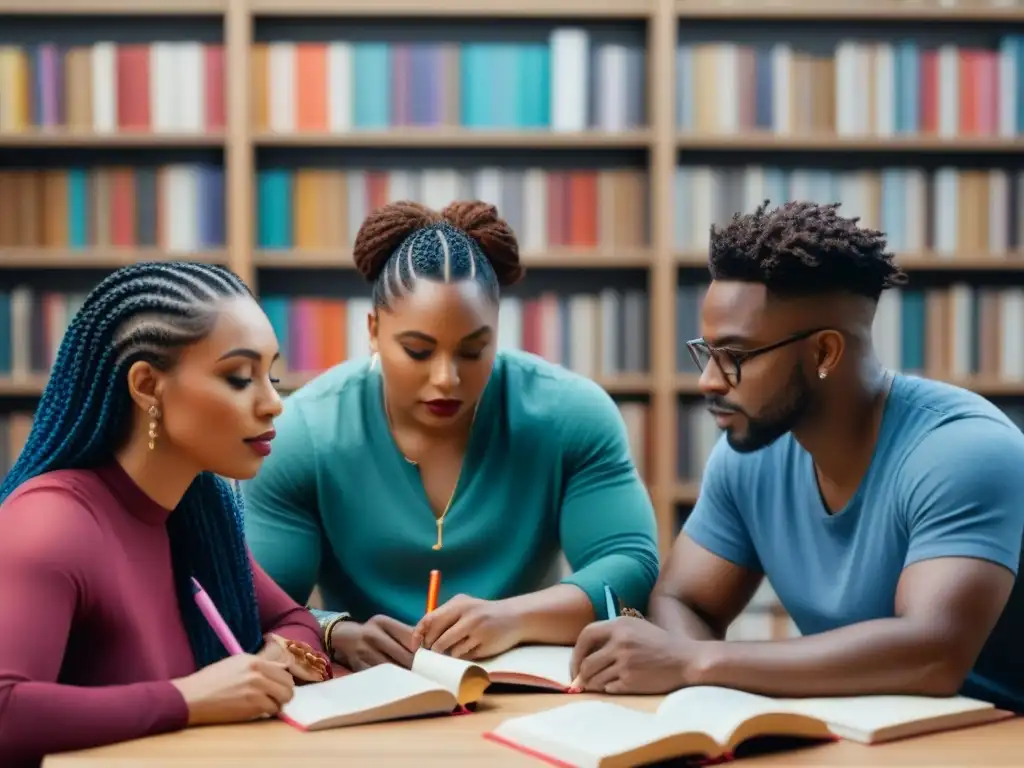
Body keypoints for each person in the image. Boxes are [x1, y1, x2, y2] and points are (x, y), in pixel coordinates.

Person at [568, 201, 1024, 712]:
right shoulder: (749, 456)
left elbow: (933, 655)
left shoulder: (965, 452)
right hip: (852, 735)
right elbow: (683, 600)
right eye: (707, 351)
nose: (709, 380)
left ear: (825, 353)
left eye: (735, 357)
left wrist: (694, 664)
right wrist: (698, 690)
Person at [242, 200, 660, 671]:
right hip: (365, 696)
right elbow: (252, 598)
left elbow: (631, 564)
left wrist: (514, 618)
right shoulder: (303, 433)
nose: (446, 378)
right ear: (374, 331)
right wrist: (335, 632)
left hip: (523, 693)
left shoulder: (571, 415)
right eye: (418, 351)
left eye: (473, 350)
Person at [0, 262, 331, 768]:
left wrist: (275, 659)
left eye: (273, 375)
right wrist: (190, 699)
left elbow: (291, 618)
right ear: (147, 386)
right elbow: (6, 710)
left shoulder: (198, 509)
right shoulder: (51, 524)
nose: (273, 403)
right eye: (240, 378)